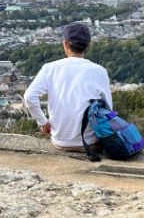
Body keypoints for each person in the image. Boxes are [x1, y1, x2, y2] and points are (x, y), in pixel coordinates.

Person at [22, 22, 112, 152]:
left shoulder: (50, 68)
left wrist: (43, 122)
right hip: (91, 143)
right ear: (88, 45)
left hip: (60, 141)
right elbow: (108, 108)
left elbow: (29, 96)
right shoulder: (99, 71)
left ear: (65, 44)